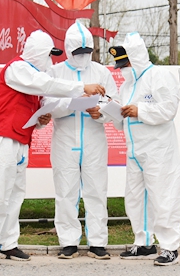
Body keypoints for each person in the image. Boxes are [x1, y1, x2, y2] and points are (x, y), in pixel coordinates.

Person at [0, 29, 106, 266]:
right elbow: (45, 84)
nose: (51, 60)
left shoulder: (32, 78)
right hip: (0, 140)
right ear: (38, 52)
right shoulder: (18, 68)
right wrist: (81, 88)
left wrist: (39, 120)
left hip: (19, 140)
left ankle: (8, 243)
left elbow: (32, 107)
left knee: (14, 195)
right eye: (49, 54)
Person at [42, 22, 118, 260]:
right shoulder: (55, 73)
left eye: (87, 52)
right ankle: (68, 241)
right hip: (65, 140)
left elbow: (114, 102)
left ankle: (97, 242)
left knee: (96, 190)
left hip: (94, 139)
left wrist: (101, 112)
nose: (83, 57)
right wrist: (77, 100)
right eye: (78, 53)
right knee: (66, 191)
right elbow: (48, 105)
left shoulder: (101, 72)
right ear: (68, 49)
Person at [108, 32, 180, 266]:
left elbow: (169, 109)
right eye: (120, 65)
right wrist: (110, 115)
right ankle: (143, 243)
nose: (123, 69)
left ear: (137, 57)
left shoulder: (159, 75)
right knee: (134, 199)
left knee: (164, 197)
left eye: (126, 63)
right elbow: (123, 120)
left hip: (158, 150)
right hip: (135, 152)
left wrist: (140, 110)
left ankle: (170, 246)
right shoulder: (127, 85)